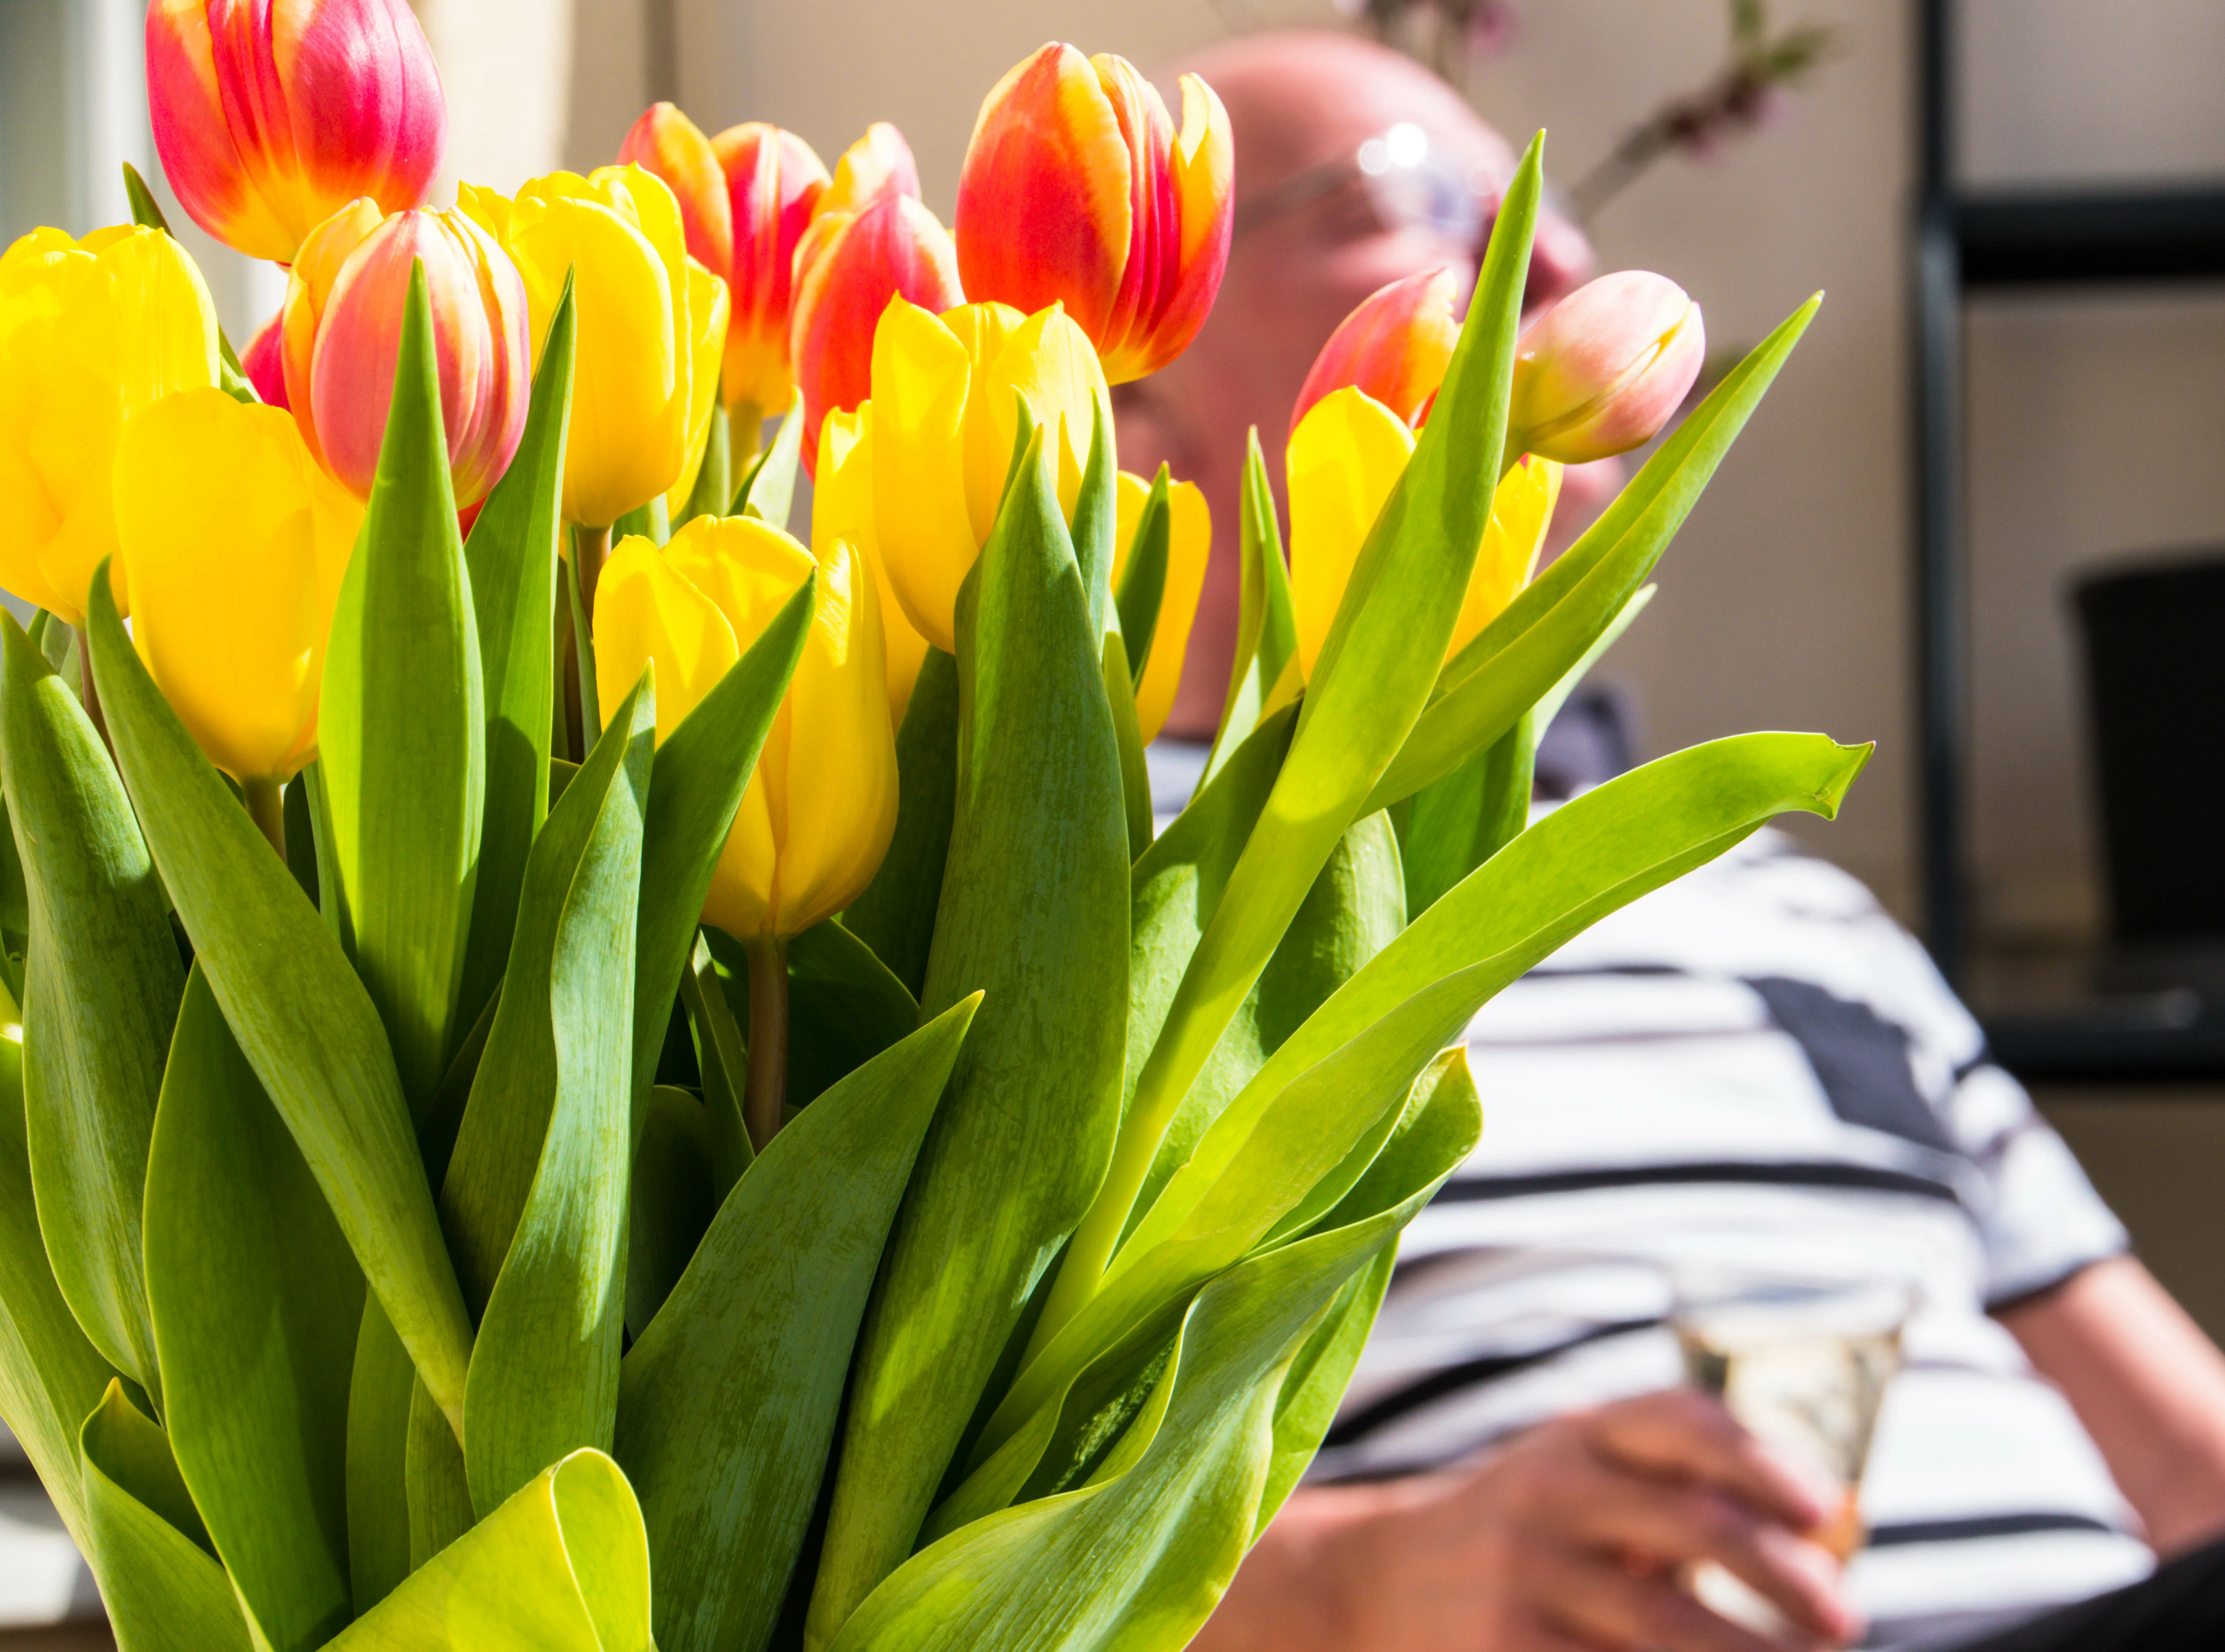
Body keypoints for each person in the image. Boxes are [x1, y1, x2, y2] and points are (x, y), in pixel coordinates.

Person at [1118, 30, 2225, 1651]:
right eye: (1413, 201)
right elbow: (887, 1562)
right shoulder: (1075, 903)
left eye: (1536, 207)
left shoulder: (1784, 908)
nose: (1554, 257)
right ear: (1138, 402)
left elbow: (2185, 1457)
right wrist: (1361, 1580)